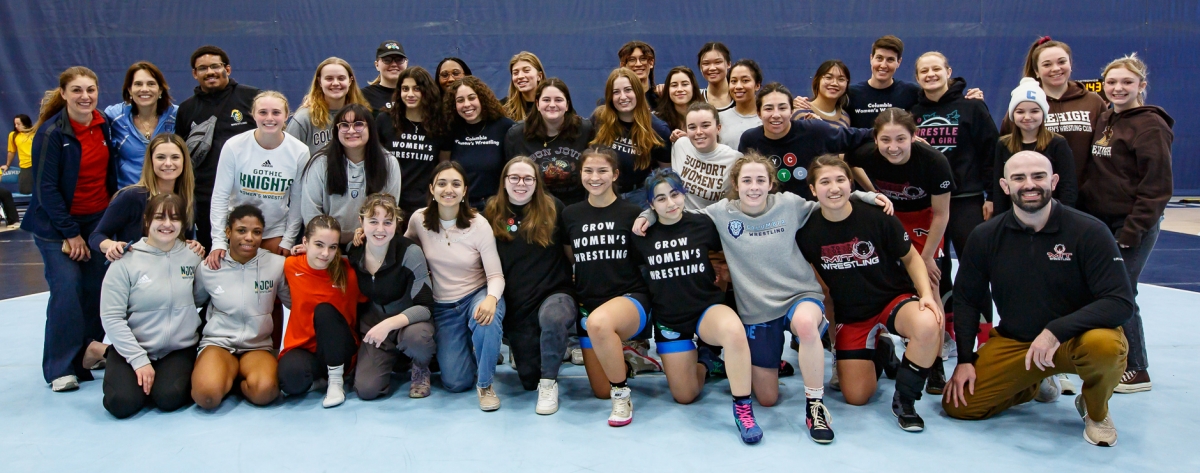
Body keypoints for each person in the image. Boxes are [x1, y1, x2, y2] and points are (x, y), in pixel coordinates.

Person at [634, 151, 891, 443]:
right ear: (736, 183)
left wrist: (869, 197)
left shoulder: (790, 204)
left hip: (798, 295)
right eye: (747, 180)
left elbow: (832, 200)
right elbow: (677, 213)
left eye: (760, 180)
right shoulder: (720, 212)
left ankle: (815, 407)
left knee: (807, 326)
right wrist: (647, 213)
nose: (753, 186)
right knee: (767, 398)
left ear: (770, 183)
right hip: (758, 309)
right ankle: (771, 362)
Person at [944, 150, 1134, 448]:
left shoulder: (1089, 230)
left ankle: (1095, 409)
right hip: (1017, 341)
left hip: (1077, 340)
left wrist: (1055, 331)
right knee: (960, 405)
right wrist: (966, 360)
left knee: (1105, 346)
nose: (1029, 184)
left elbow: (1120, 302)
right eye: (1019, 178)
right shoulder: (985, 236)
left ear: (1054, 181)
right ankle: (1034, 381)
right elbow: (967, 299)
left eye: (1038, 176)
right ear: (1005, 186)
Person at [797, 155, 944, 432]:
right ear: (814, 190)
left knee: (927, 323)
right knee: (856, 397)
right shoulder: (807, 231)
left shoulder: (878, 216)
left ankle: (906, 401)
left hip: (892, 299)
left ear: (851, 184)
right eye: (825, 182)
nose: (834, 187)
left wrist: (925, 294)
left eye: (840, 180)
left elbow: (912, 258)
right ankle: (883, 350)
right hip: (852, 314)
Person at [627, 168, 761, 443]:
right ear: (650, 204)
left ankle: (743, 409)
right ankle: (706, 362)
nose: (670, 203)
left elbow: (731, 248)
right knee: (685, 396)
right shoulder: (641, 235)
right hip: (670, 321)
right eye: (661, 199)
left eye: (675, 195)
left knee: (733, 332)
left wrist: (725, 272)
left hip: (705, 310)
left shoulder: (703, 224)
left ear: (684, 194)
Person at [1080, 53, 1173, 394]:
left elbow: (1158, 188)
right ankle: (1106, 356)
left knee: (1121, 291)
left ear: (1141, 86)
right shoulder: (1106, 116)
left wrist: (1131, 232)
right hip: (1101, 221)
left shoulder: (1151, 126)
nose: (1118, 88)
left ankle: (1136, 368)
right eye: (1112, 82)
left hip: (1132, 224)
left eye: (1127, 82)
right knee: (1099, 289)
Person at [22, 66, 118, 392]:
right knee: (67, 289)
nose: (84, 96)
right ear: (63, 94)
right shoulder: (51, 134)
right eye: (76, 90)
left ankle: (86, 353)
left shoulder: (103, 124)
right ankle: (60, 368)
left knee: (96, 289)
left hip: (96, 221)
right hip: (55, 224)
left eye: (90, 89)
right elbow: (46, 189)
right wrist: (70, 232)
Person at [848, 108, 952, 387]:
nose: (892, 147)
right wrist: (873, 192)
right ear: (876, 139)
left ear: (914, 137)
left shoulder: (934, 161)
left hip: (925, 220)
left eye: (900, 140)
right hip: (890, 217)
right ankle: (882, 342)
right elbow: (849, 162)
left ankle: (936, 363)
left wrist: (928, 257)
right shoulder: (867, 154)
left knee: (930, 287)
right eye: (885, 140)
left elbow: (942, 214)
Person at [909, 52, 999, 375]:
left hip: (966, 200)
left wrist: (991, 195)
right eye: (924, 70)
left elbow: (993, 152)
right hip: (926, 204)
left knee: (974, 272)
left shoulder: (973, 107)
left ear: (949, 71)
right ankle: (945, 335)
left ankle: (984, 340)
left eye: (936, 69)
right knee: (936, 270)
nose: (931, 74)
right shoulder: (912, 112)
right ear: (917, 77)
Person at [404, 161, 506, 410]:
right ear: (431, 188)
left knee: (486, 320)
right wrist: (362, 235)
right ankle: (478, 354)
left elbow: (496, 276)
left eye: (456, 184)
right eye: (442, 183)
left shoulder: (478, 224)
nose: (448, 189)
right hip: (443, 306)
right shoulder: (419, 220)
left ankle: (486, 384)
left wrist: (491, 299)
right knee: (455, 382)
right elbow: (402, 249)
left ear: (464, 192)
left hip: (476, 293)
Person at [561, 147, 651, 425]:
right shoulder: (570, 214)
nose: (595, 177)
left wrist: (653, 215)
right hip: (590, 302)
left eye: (602, 171)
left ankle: (622, 396)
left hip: (629, 299)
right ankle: (626, 360)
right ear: (580, 174)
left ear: (614, 174)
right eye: (588, 170)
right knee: (600, 391)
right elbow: (570, 255)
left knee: (599, 324)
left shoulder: (633, 212)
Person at [99, 193, 205, 418]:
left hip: (177, 348)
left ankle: (161, 378)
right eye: (160, 217)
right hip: (136, 346)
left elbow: (200, 299)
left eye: (174, 219)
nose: (167, 224)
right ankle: (109, 355)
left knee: (168, 398)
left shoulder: (193, 257)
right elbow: (111, 317)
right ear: (147, 220)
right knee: (121, 403)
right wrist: (138, 360)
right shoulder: (125, 260)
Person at [483, 156, 576, 414]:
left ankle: (549, 384)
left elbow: (569, 253)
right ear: (504, 181)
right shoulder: (491, 212)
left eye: (528, 178)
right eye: (514, 177)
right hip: (516, 303)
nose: (521, 183)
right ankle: (533, 350)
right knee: (527, 380)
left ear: (537, 182)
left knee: (553, 318)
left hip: (554, 293)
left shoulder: (553, 207)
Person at [191, 204, 290, 409]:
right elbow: (193, 302)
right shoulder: (210, 267)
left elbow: (294, 302)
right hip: (218, 343)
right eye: (241, 230)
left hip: (257, 346)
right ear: (228, 232)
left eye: (256, 232)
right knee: (206, 397)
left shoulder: (276, 265)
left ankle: (235, 380)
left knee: (266, 392)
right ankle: (221, 375)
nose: (249, 238)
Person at [348, 194, 437, 400]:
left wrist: (388, 325)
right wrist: (303, 251)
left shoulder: (410, 252)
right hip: (375, 321)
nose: (380, 229)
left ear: (397, 223)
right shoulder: (355, 250)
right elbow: (329, 259)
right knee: (366, 390)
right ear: (361, 223)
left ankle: (420, 366)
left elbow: (425, 306)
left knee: (418, 339)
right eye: (373, 222)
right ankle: (395, 360)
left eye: (387, 222)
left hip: (409, 322)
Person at [175, 45, 260, 251]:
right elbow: (182, 157)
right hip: (206, 198)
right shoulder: (187, 109)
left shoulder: (252, 98)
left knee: (251, 254)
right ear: (195, 74)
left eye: (215, 66)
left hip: (248, 194)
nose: (210, 72)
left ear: (227, 69)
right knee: (213, 254)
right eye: (202, 68)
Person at [208, 91, 308, 265]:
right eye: (263, 112)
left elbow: (298, 200)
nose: (269, 118)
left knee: (274, 286)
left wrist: (289, 239)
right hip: (239, 228)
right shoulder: (234, 146)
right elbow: (220, 196)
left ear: (286, 116)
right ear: (253, 114)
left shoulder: (299, 151)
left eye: (276, 112)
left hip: (275, 230)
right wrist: (218, 240)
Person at [280, 215, 362, 408]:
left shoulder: (349, 273)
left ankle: (336, 382)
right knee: (288, 381)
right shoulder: (291, 266)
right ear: (304, 242)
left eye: (332, 247)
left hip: (341, 349)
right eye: (319, 245)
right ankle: (322, 382)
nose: (325, 253)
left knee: (324, 311)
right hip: (305, 349)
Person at [738, 83, 872, 199]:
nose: (776, 114)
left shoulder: (815, 131)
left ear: (791, 111)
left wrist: (886, 133)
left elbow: (858, 136)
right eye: (768, 108)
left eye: (782, 108)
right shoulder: (750, 140)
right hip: (772, 218)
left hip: (812, 213)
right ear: (759, 113)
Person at [1003, 37, 1107, 183]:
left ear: (1070, 64)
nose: (1056, 68)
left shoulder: (1093, 102)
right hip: (1035, 194)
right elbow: (1007, 148)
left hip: (1086, 197)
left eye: (1061, 62)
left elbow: (1105, 149)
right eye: (1047, 64)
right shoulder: (1023, 102)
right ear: (1036, 71)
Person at [299, 104, 402, 245]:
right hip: (328, 243)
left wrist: (364, 236)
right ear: (337, 130)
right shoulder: (320, 163)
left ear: (370, 129)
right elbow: (310, 212)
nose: (351, 130)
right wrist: (329, 241)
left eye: (359, 124)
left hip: (371, 240)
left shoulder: (389, 163)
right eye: (344, 125)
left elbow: (390, 210)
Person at [90, 134, 200, 261]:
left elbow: (185, 240)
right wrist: (112, 246)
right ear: (151, 161)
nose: (168, 163)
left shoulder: (187, 199)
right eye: (160, 157)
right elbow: (96, 236)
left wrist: (193, 246)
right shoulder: (131, 196)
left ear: (184, 161)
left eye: (175, 157)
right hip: (134, 272)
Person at [993, 78, 1077, 215]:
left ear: (1043, 113)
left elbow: (1068, 187)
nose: (1027, 117)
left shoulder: (1057, 143)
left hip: (1052, 215)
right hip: (1015, 215)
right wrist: (1001, 218)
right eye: (1020, 112)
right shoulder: (1003, 144)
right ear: (1012, 115)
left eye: (1034, 111)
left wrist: (1064, 217)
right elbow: (999, 189)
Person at [504, 78, 593, 206]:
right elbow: (508, 178)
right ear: (537, 104)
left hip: (577, 206)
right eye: (546, 100)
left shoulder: (585, 130)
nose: (552, 105)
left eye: (558, 100)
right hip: (535, 208)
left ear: (567, 105)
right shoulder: (516, 135)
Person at [590, 68, 671, 204]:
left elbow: (665, 172)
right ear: (610, 96)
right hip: (601, 192)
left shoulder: (658, 129)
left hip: (638, 197)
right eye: (616, 92)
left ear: (638, 92)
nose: (623, 97)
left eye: (628, 90)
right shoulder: (599, 118)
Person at [377, 66, 448, 215]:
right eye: (405, 89)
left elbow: (443, 168)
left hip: (425, 206)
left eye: (416, 89)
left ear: (427, 91)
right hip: (390, 204)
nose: (410, 94)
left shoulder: (440, 125)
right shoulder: (385, 120)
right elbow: (375, 164)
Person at [103, 61, 178, 188]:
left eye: (151, 84)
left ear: (160, 90)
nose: (144, 89)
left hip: (167, 198)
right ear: (129, 90)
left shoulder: (177, 115)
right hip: (128, 197)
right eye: (138, 84)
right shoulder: (114, 116)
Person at [444, 77, 514, 208]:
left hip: (495, 206)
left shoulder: (504, 127)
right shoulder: (451, 130)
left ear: (482, 98)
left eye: (471, 98)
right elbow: (444, 169)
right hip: (460, 207)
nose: (466, 104)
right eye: (460, 100)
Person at [287, 57, 371, 157]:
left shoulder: (362, 115)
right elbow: (288, 157)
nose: (335, 83)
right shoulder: (304, 118)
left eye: (341, 78)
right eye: (329, 78)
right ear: (319, 82)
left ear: (350, 81)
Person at [671, 102, 742, 209]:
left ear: (718, 128)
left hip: (712, 221)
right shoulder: (680, 145)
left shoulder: (734, 159)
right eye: (692, 127)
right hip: (680, 218)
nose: (698, 132)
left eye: (705, 126)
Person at [717, 59, 763, 150]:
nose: (738, 86)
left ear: (757, 85)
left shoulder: (767, 118)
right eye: (733, 81)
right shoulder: (719, 118)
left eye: (745, 81)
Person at [792, 60, 851, 128]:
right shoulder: (800, 112)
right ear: (818, 81)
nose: (834, 83)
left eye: (841, 79)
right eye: (828, 78)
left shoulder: (845, 118)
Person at [654, 66, 704, 139]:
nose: (679, 89)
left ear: (693, 87)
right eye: (674, 85)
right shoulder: (657, 121)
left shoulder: (706, 116)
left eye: (685, 84)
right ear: (668, 90)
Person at [361, 40, 407, 111]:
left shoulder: (416, 94)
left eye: (399, 60)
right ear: (377, 65)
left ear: (406, 63)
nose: (394, 64)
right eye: (387, 60)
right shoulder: (364, 96)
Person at [502, 51, 545, 122]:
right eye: (515, 73)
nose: (520, 76)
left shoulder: (550, 106)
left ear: (539, 76)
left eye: (526, 70)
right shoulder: (503, 107)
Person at [617, 41, 660, 110]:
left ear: (651, 63)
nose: (638, 64)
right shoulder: (616, 101)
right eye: (632, 60)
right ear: (623, 66)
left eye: (643, 59)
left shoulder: (661, 100)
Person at [697, 42, 734, 112]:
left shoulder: (741, 97)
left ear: (729, 64)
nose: (712, 68)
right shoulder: (695, 98)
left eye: (718, 62)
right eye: (706, 63)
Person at [4, 114, 36, 195]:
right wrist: (7, 165)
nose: (16, 126)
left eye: (18, 124)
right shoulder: (13, 135)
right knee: (26, 191)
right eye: (15, 124)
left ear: (26, 124)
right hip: (25, 166)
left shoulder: (35, 133)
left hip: (38, 165)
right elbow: (11, 151)